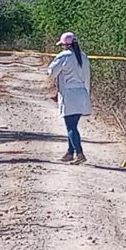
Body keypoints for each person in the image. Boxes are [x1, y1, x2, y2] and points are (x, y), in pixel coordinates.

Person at [47, 32, 91, 165]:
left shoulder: (64, 56)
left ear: (66, 45)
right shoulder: (83, 57)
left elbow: (52, 72)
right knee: (73, 125)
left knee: (71, 126)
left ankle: (79, 153)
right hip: (82, 93)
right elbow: (88, 77)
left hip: (69, 94)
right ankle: (70, 152)